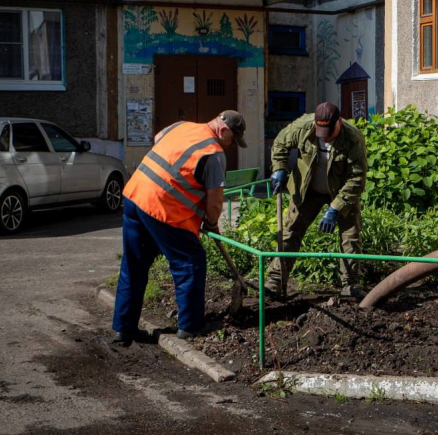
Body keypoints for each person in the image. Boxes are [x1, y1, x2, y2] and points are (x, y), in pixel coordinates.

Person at [111, 111, 247, 344]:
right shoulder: (214, 153)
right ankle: (191, 326)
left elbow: (158, 139)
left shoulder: (181, 126)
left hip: (135, 196)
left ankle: (124, 329)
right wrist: (211, 222)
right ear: (223, 130)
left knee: (134, 264)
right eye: (233, 140)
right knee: (190, 261)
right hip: (163, 209)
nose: (232, 145)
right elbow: (214, 203)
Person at [268, 102, 368, 300]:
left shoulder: (353, 138)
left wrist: (336, 207)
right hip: (307, 190)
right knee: (290, 231)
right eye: (320, 130)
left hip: (340, 191)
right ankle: (276, 280)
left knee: (350, 235)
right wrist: (279, 168)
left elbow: (357, 177)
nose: (324, 135)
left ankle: (351, 284)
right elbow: (280, 143)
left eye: (329, 131)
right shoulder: (303, 127)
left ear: (339, 122)